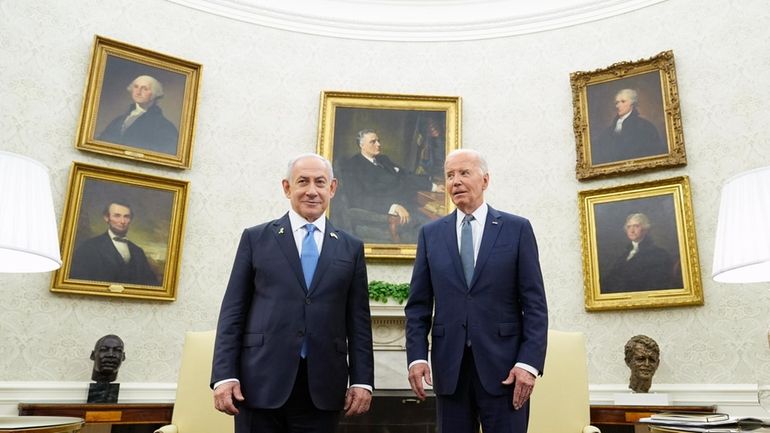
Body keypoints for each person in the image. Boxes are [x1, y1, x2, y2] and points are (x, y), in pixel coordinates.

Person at [211, 154, 374, 433]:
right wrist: (224, 375)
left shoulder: (350, 247)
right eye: (303, 182)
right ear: (287, 187)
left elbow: (358, 321)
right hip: (258, 383)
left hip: (322, 388)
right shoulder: (256, 238)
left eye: (320, 182)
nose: (312, 190)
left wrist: (362, 380)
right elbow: (233, 312)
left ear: (332, 188)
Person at [405, 149, 548, 433]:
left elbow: (534, 305)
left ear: (485, 180)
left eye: (464, 173)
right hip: (450, 372)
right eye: (449, 175)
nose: (455, 181)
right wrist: (418, 357)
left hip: (506, 371)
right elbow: (418, 306)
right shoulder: (431, 234)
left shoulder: (516, 229)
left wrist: (529, 364)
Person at [340, 129, 441, 242]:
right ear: (361, 145)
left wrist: (433, 186)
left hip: (410, 206)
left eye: (378, 141)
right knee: (435, 231)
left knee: (439, 223)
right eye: (373, 142)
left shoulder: (383, 159)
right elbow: (358, 199)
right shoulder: (352, 166)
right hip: (388, 216)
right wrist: (393, 207)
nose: (378, 144)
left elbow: (405, 176)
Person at [69, 202, 159, 286]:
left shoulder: (138, 252)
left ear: (130, 220)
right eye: (117, 216)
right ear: (106, 218)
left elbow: (151, 285)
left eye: (126, 216)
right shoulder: (89, 247)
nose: (122, 221)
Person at [98, 75, 179, 155]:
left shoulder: (164, 126)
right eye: (136, 87)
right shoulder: (118, 120)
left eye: (145, 89)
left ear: (154, 94)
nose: (138, 92)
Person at [601, 213, 677, 293]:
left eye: (636, 226)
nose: (631, 231)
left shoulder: (659, 254)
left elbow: (656, 285)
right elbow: (610, 279)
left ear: (645, 229)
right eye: (628, 227)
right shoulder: (623, 255)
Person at [591, 88, 668, 165]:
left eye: (623, 101)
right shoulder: (609, 130)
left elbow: (653, 153)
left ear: (632, 104)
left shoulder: (645, 127)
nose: (618, 105)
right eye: (617, 102)